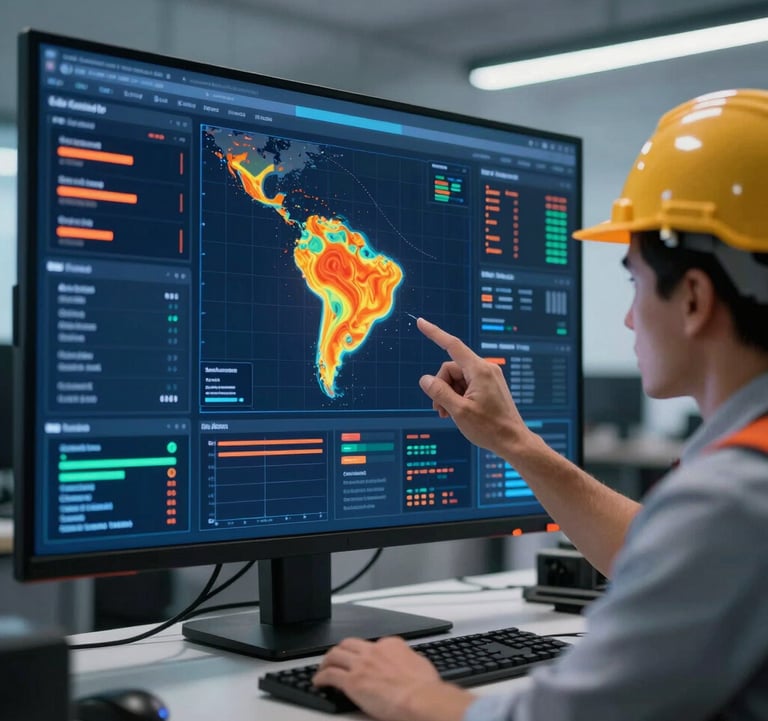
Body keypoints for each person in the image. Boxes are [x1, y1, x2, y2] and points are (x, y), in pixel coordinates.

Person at [312, 88, 768, 721]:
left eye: (635, 280)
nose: (631, 318)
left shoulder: (735, 498)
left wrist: (413, 694)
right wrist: (515, 442)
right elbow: (669, 551)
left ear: (693, 296)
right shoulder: (737, 498)